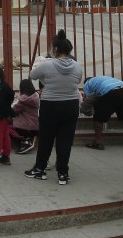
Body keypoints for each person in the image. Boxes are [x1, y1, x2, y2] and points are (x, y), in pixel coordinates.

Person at [26, 30, 82, 184]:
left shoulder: (47, 64)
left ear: (55, 49)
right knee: (66, 140)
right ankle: (63, 173)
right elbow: (77, 81)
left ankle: (40, 169)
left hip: (50, 105)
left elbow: (32, 75)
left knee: (46, 139)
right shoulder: (77, 66)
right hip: (71, 105)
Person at [81, 75, 123, 150]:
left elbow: (88, 100)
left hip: (111, 92)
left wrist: (85, 110)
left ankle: (98, 142)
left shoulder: (87, 84)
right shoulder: (102, 78)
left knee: (98, 118)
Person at [11, 79, 40, 154]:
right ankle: (30, 138)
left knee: (9, 128)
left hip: (24, 128)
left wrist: (17, 99)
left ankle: (26, 141)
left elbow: (13, 110)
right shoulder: (36, 96)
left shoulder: (23, 99)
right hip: (35, 127)